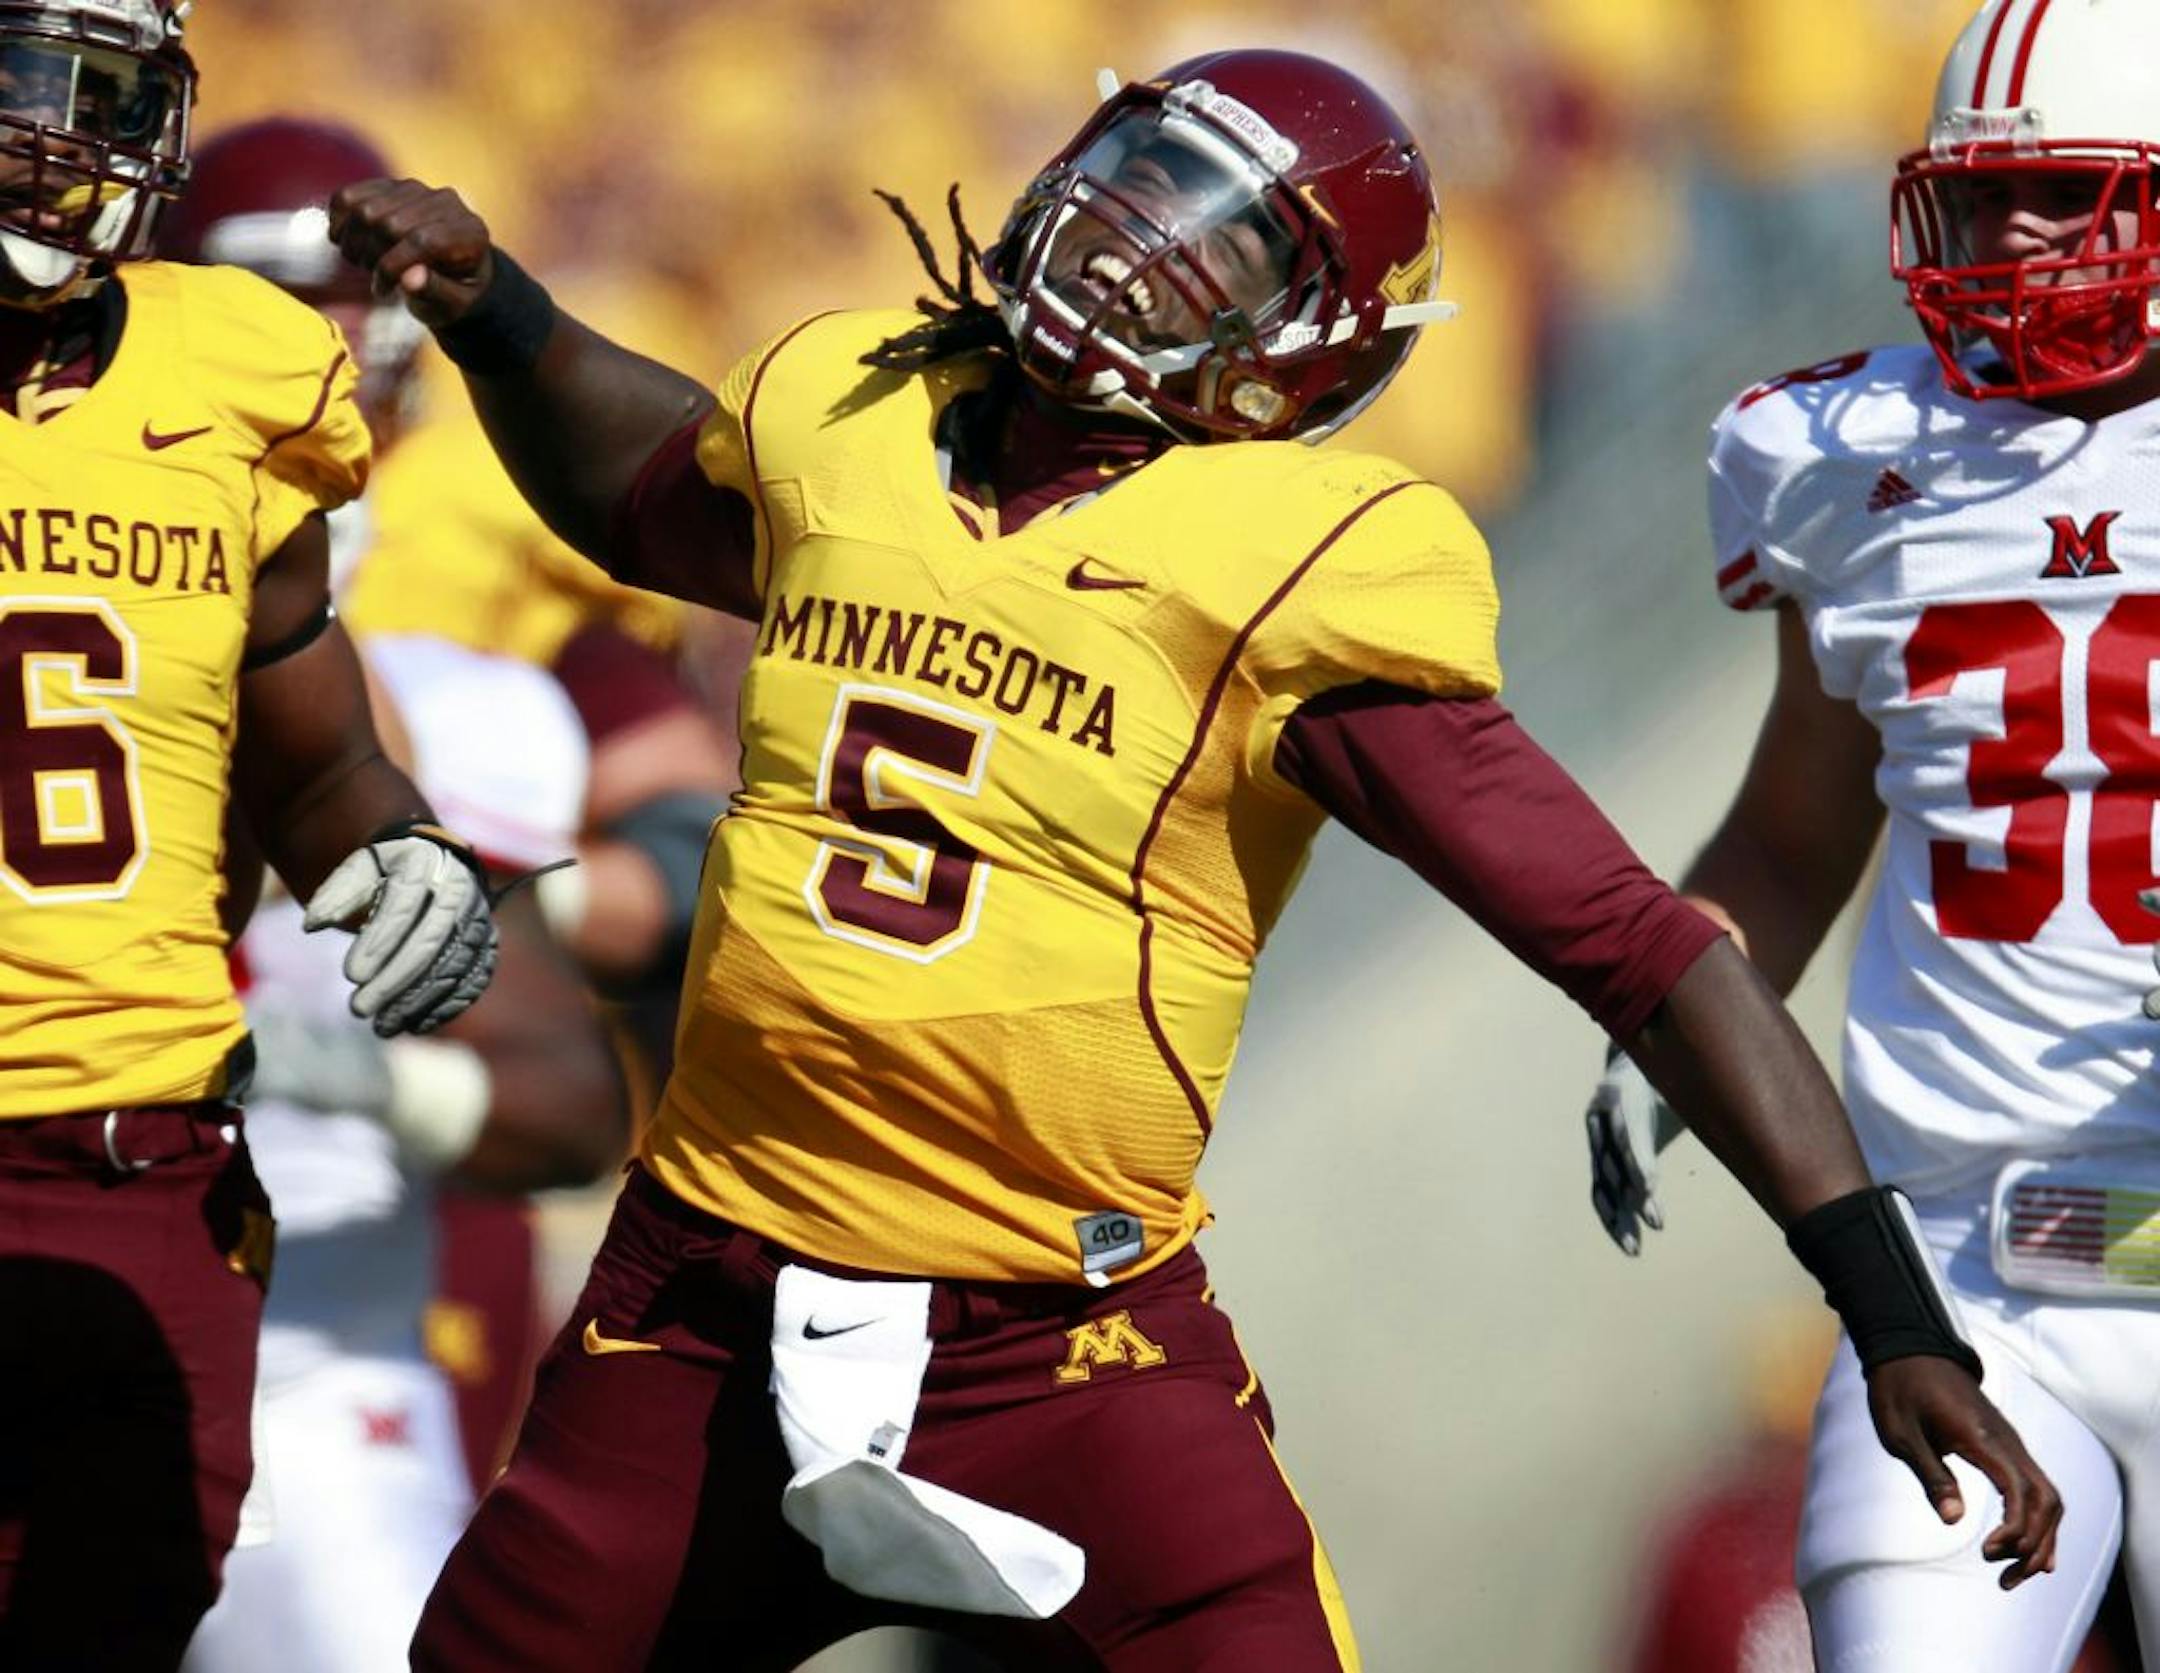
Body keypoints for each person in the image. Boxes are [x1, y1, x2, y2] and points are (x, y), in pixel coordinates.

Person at [330, 48, 2057, 1671]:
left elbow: (1635, 942)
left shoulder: (1285, 569)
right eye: (1148, 175)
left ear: (1305, 349)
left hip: (1056, 1345)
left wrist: (1887, 1304)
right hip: (699, 1287)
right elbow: (643, 483)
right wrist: (502, 319)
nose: (1143, 240)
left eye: (1222, 244)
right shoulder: (863, 415)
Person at [1581, 1, 2160, 1665]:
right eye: (1981, 196)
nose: (2010, 234)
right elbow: (1790, 821)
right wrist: (1671, 1013)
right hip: (1970, 1252)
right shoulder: (1843, 457)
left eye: (2063, 192)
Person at [0, 7, 501, 1670]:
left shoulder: (235, 373)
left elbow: (309, 739)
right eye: (17, 85)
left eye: (106, 94)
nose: (59, 136)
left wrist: (394, 845)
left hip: (150, 1163)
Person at [143, 117, 629, 1673]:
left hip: (315, 1375)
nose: (336, 353)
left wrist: (343, 1071)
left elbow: (563, 1100)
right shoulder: (69, 625)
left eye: (362, 307)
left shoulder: (457, 704)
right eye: (289, 302)